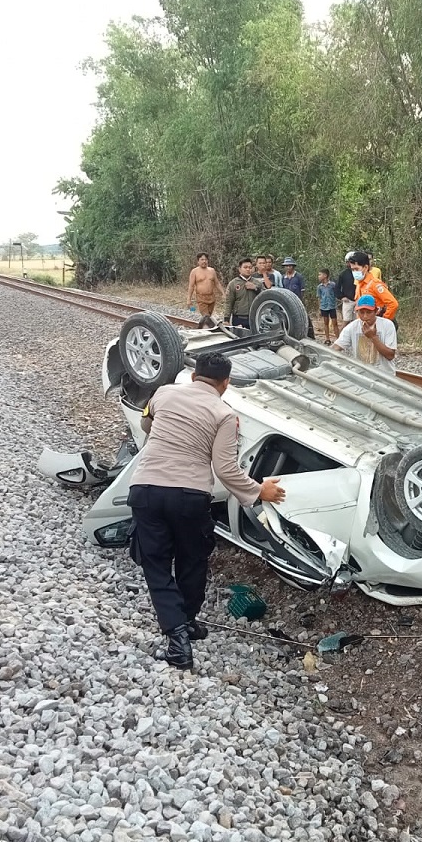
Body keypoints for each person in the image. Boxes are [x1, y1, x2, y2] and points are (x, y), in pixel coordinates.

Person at [128, 351, 285, 670]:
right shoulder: (224, 414)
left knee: (156, 564)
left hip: (147, 489)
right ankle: (182, 630)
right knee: (192, 559)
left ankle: (178, 634)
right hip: (190, 496)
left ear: (194, 375)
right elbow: (225, 468)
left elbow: (147, 424)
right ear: (225, 383)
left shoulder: (164, 393)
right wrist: (259, 491)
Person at [331, 295, 397, 374]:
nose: (365, 316)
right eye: (361, 312)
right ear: (357, 312)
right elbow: (336, 347)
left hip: (385, 377)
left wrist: (373, 337)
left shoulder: (387, 325)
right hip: (361, 377)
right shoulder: (352, 327)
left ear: (376, 311)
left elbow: (390, 355)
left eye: (369, 312)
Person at [350, 252, 398, 323]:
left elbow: (393, 304)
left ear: (366, 267)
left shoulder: (375, 284)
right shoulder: (359, 285)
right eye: (352, 269)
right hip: (367, 324)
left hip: (378, 324)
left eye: (356, 269)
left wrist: (383, 321)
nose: (354, 272)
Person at [223, 258, 260, 329]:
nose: (248, 269)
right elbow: (229, 302)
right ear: (240, 269)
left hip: (254, 317)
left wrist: (255, 288)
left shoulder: (257, 283)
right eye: (245, 267)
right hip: (239, 318)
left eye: (250, 267)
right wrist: (226, 319)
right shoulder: (233, 283)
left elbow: (264, 296)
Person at [185, 253, 224, 318]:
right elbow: (191, 286)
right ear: (198, 261)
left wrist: (223, 293)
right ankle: (207, 325)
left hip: (211, 298)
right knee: (206, 317)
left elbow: (217, 283)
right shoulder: (194, 271)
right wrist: (189, 299)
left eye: (206, 259)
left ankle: (205, 326)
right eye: (202, 259)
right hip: (201, 298)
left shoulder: (212, 270)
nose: (204, 261)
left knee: (209, 316)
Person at [315, 269, 339, 342]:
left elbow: (336, 294)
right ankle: (327, 339)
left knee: (335, 322)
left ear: (325, 276)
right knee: (326, 322)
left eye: (320, 274)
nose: (318, 276)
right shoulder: (319, 287)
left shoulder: (332, 285)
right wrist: (319, 308)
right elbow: (319, 297)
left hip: (332, 306)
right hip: (324, 307)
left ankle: (338, 339)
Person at [336, 252, 358, 326]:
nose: (349, 264)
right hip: (348, 301)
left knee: (357, 323)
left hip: (358, 300)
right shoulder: (343, 274)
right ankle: (341, 337)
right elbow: (337, 287)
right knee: (346, 321)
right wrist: (342, 297)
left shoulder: (360, 273)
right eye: (348, 262)